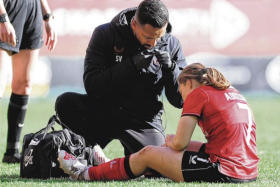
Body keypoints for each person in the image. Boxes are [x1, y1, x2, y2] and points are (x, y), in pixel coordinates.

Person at [58, 62, 259, 183]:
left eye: (182, 93)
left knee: (149, 153)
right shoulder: (232, 91)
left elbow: (179, 143)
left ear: (188, 83)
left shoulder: (199, 94)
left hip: (226, 169)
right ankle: (112, 166)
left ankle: (85, 173)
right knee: (165, 149)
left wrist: (173, 143)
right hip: (248, 168)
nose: (183, 100)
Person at [55, 0, 186, 166]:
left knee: (160, 167)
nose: (153, 43)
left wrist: (171, 70)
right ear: (134, 25)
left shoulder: (172, 45)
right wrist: (132, 65)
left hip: (142, 120)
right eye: (148, 37)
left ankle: (127, 158)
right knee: (66, 102)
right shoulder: (106, 34)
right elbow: (92, 85)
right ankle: (90, 151)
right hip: (105, 111)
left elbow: (179, 101)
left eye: (158, 38)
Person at [0, 0, 57, 163]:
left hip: (31, 10)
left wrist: (47, 16)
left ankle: (12, 152)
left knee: (24, 84)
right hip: (6, 7)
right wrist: (2, 18)